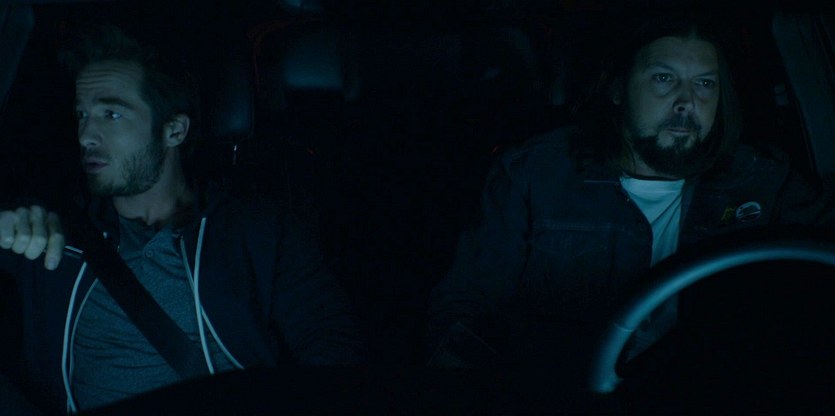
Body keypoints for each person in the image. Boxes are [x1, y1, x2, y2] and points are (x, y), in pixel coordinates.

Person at [426, 13, 835, 372]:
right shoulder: (535, 175)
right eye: (663, 78)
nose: (686, 102)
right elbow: (468, 303)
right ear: (618, 90)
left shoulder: (761, 179)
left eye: (704, 84)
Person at [0, 24, 365, 413]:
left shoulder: (258, 231)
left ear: (173, 131)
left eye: (111, 113)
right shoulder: (49, 232)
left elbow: (334, 347)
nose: (86, 134)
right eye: (82, 114)